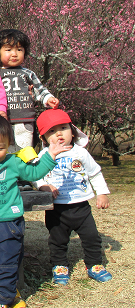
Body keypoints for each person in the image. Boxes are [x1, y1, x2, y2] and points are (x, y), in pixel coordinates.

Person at [0, 113, 71, 308]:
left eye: (0, 148)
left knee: (4, 264)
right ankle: (9, 294)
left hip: (7, 225)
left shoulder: (12, 162)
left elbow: (34, 172)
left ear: (8, 144)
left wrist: (50, 155)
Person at [34, 109, 112, 285]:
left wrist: (102, 193)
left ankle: (94, 264)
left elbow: (95, 173)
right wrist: (44, 186)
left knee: (91, 237)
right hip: (56, 208)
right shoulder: (44, 155)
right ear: (43, 138)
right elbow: (35, 174)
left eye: (63, 128)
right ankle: (60, 265)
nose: (59, 134)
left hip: (81, 207)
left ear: (73, 130)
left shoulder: (81, 153)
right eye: (52, 131)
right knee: (57, 240)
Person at [0, 29, 59, 152]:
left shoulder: (27, 73)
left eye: (19, 50)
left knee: (25, 151)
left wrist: (48, 98)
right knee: (4, 150)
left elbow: (39, 89)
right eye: (8, 50)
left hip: (25, 120)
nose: (14, 54)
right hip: (1, 120)